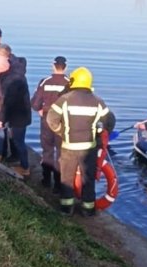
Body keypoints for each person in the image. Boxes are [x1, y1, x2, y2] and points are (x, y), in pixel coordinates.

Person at [46, 67, 115, 217]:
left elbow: (51, 119)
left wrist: (61, 132)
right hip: (88, 148)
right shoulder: (97, 101)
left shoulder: (64, 99)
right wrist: (102, 132)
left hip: (69, 147)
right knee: (88, 179)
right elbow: (109, 120)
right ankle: (88, 209)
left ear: (74, 81)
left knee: (67, 178)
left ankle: (66, 208)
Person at [31, 56, 70, 192]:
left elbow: (35, 103)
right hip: (62, 122)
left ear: (53, 66)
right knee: (61, 153)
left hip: (47, 120)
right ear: (65, 67)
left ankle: (46, 180)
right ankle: (58, 185)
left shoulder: (45, 82)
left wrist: (40, 110)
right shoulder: (69, 83)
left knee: (47, 150)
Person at [0, 47, 32, 177]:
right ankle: (2, 154)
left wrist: (0, 118)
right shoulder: (12, 74)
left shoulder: (11, 81)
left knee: (19, 141)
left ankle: (25, 167)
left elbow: (8, 102)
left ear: (4, 66)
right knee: (14, 138)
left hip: (19, 115)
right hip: (18, 113)